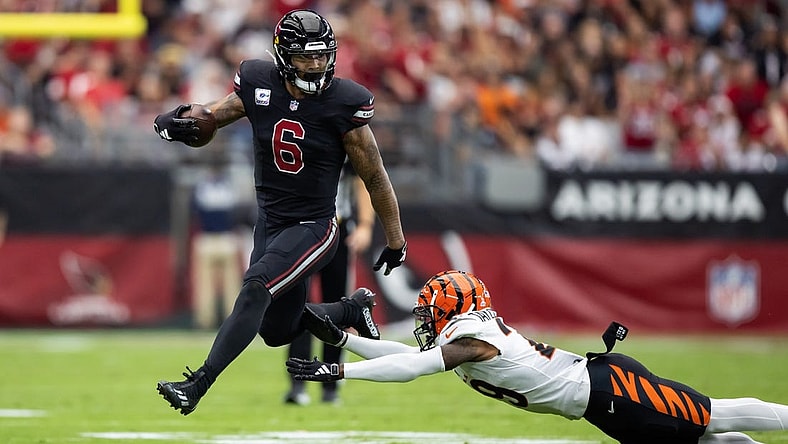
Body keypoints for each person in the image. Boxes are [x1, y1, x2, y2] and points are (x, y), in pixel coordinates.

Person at [152, 9, 407, 416]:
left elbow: (375, 176)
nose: (317, 64)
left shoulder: (345, 102)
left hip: (316, 225)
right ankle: (347, 310)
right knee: (274, 329)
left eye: (322, 56)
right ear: (284, 56)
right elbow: (213, 118)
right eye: (307, 57)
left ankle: (196, 383)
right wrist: (179, 119)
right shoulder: (259, 83)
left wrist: (396, 239)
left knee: (254, 286)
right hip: (270, 221)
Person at [288, 270, 788, 444]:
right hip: (601, 406)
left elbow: (413, 367)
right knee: (705, 439)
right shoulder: (468, 335)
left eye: (433, 311)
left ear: (456, 310)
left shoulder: (473, 340)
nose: (427, 320)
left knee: (711, 414)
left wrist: (339, 369)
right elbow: (407, 354)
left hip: (611, 391)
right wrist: (346, 339)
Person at [284, 165, 375, 405]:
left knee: (338, 308)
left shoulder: (344, 136)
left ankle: (330, 383)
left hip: (337, 228)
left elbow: (362, 179)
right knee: (298, 304)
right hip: (302, 227)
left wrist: (365, 224)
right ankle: (298, 382)